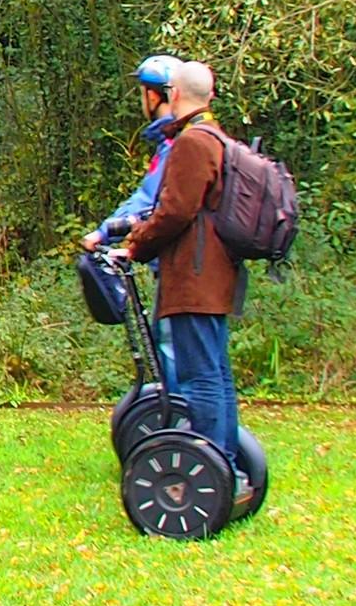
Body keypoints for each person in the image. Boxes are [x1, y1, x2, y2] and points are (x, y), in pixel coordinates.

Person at [124, 61, 249, 497]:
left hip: (193, 279)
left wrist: (136, 243)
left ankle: (215, 470)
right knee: (215, 374)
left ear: (172, 93)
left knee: (201, 379)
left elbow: (174, 211)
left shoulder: (192, 143)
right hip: (213, 276)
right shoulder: (217, 137)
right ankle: (228, 467)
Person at [82, 54, 182, 384]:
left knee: (172, 352)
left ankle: (180, 429)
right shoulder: (175, 141)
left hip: (178, 269)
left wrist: (103, 233)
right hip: (181, 266)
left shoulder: (175, 146)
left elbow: (147, 201)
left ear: (153, 96)